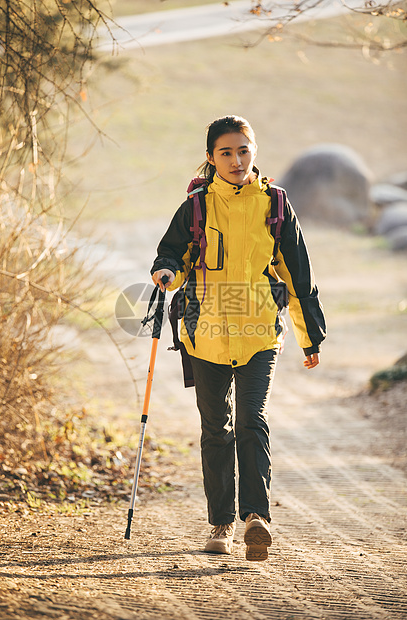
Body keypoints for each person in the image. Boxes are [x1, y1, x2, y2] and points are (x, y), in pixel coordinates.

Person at [151, 115, 326, 562]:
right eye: (225, 152)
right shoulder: (196, 206)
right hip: (204, 333)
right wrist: (166, 271)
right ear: (211, 158)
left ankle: (255, 519)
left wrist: (310, 339)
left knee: (251, 419)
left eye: (243, 150)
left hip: (258, 332)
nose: (236, 160)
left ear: (255, 152)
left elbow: (298, 274)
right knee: (216, 430)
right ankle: (221, 523)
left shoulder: (276, 205)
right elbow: (172, 252)